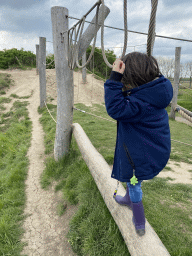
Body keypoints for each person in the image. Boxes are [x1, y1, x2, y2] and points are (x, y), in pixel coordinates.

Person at [104, 52, 173, 236]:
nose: (123, 85)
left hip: (139, 161)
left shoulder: (139, 103)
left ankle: (139, 219)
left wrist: (114, 78)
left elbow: (115, 108)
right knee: (132, 181)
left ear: (133, 79)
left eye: (125, 81)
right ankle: (127, 198)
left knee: (134, 183)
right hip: (151, 153)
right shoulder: (155, 93)